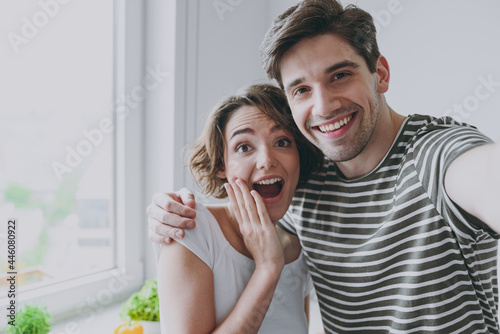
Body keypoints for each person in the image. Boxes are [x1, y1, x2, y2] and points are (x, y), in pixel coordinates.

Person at [147, 0, 500, 332]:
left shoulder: (436, 157)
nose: (324, 106)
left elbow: (483, 174)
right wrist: (175, 216)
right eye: (301, 89)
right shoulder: (307, 185)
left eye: (339, 76)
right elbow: (250, 227)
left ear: (380, 74)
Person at [156, 83, 324, 333]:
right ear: (221, 166)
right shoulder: (189, 231)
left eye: (282, 142)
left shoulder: (298, 249)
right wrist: (267, 268)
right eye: (244, 147)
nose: (267, 160)